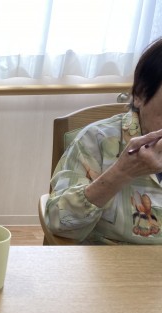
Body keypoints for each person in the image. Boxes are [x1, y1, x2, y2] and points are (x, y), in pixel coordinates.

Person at [45, 37, 162, 244]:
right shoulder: (97, 140)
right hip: (106, 261)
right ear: (139, 95)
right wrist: (122, 173)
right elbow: (58, 221)